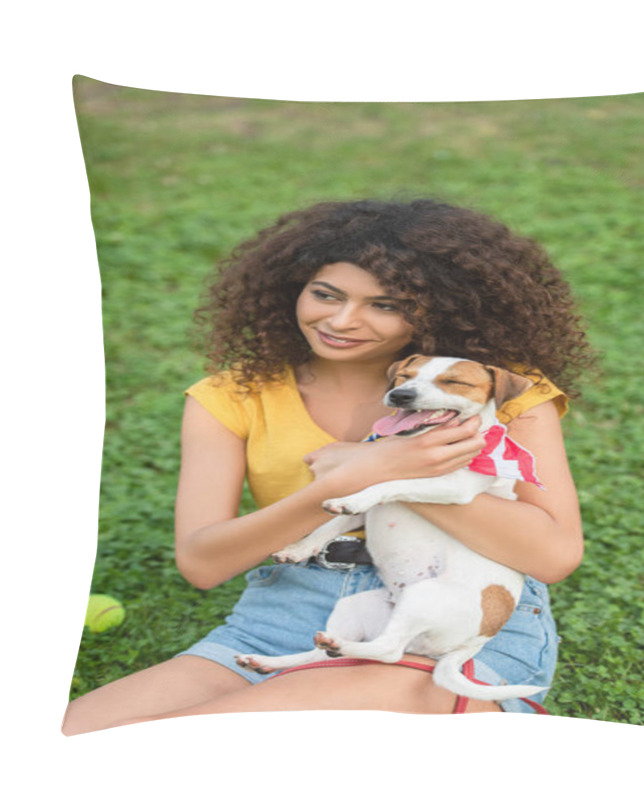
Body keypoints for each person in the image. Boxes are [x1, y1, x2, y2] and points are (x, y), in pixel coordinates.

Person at [62, 198, 590, 735]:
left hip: (455, 616)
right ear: (292, 286)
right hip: (284, 614)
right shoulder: (233, 396)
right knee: (77, 737)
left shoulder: (488, 389)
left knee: (198, 738)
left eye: (384, 305)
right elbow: (202, 562)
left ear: (438, 309)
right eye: (325, 294)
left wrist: (391, 471)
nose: (340, 321)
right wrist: (354, 478)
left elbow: (553, 554)